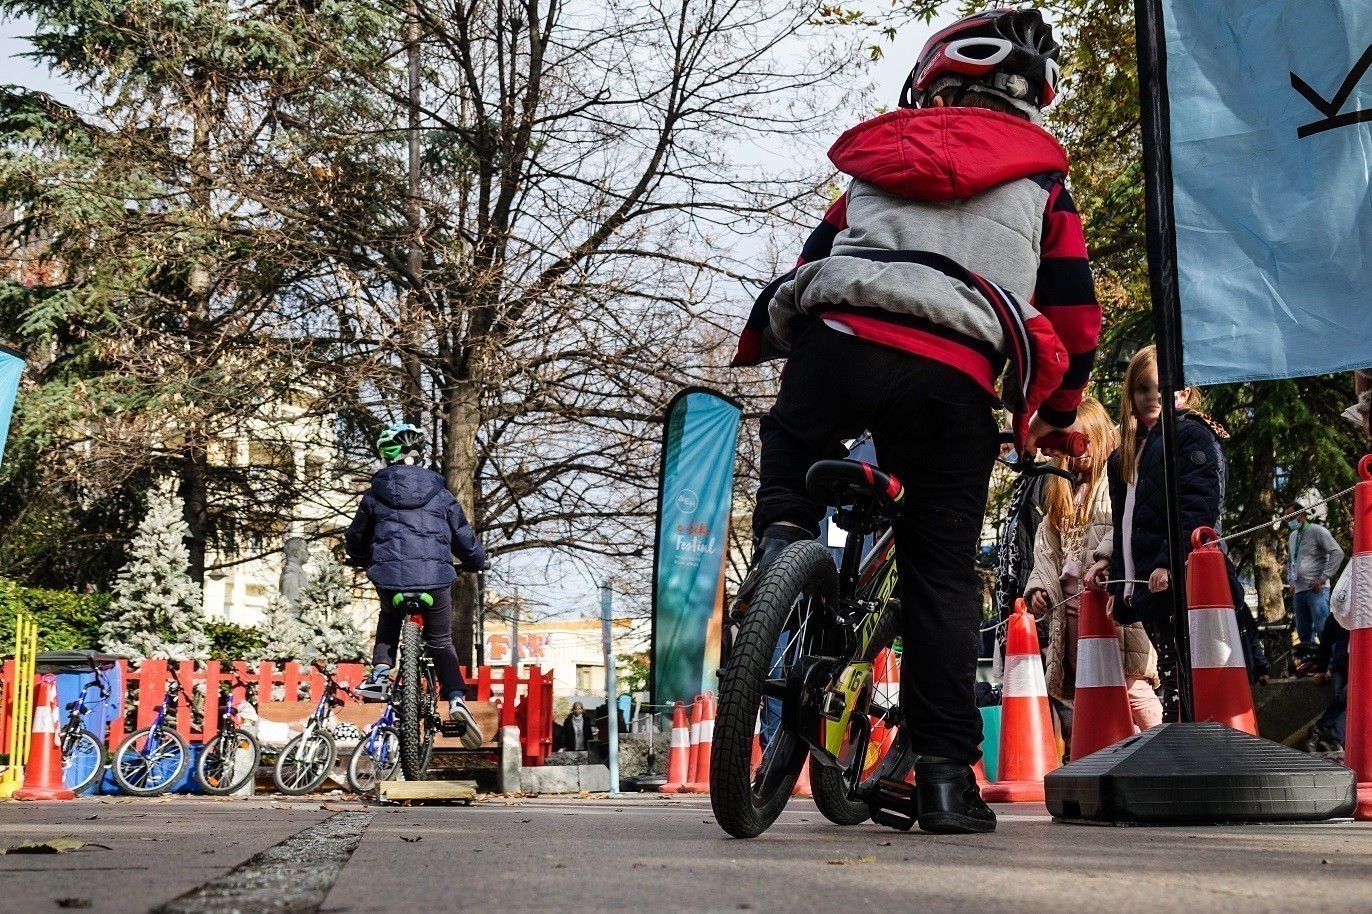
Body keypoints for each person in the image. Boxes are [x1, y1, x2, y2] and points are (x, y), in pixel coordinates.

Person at [730, 8, 1100, 834]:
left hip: (841, 341)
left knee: (791, 437)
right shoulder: (1042, 186)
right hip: (951, 375)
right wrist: (1054, 417)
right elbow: (1074, 316)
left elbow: (811, 265)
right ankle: (941, 781)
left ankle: (778, 540)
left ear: (930, 82)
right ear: (1031, 100)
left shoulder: (874, 164)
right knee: (940, 576)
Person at [1085, 345, 1240, 722]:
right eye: (1143, 388)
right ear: (1131, 394)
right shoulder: (1125, 455)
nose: (1153, 396)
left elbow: (1199, 506)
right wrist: (1122, 586)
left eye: (1161, 387)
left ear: (1183, 392)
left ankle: (1194, 748)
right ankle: (1183, 746)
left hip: (1183, 578)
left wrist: (1170, 561)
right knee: (1172, 673)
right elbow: (1127, 523)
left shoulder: (1191, 436)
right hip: (1149, 582)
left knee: (1191, 673)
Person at [1023, 397, 1160, 751]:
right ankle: (1103, 752)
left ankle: (1163, 744)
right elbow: (1046, 546)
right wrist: (1039, 584)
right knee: (1086, 683)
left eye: (1084, 442)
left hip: (1110, 600)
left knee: (1130, 683)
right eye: (1070, 445)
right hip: (1069, 607)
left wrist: (1106, 557)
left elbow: (1126, 524)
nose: (1078, 453)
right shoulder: (1063, 489)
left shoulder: (1115, 481)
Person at [345, 423, 488, 749]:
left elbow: (356, 537)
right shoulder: (441, 493)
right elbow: (464, 538)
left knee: (389, 615)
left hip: (390, 578)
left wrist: (359, 556)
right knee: (440, 642)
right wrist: (476, 562)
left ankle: (380, 672)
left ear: (385, 455)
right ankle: (455, 699)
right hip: (436, 580)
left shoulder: (373, 495)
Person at [1286, 500, 1344, 652]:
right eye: (1287, 518)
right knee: (1303, 631)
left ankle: (1330, 664)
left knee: (1323, 628)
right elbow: (1291, 561)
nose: (1290, 521)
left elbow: (1337, 552)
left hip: (1317, 590)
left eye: (1292, 517)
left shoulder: (1317, 531)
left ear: (1302, 514)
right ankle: (1309, 664)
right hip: (1299, 591)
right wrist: (1291, 580)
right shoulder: (1292, 536)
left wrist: (1323, 577)